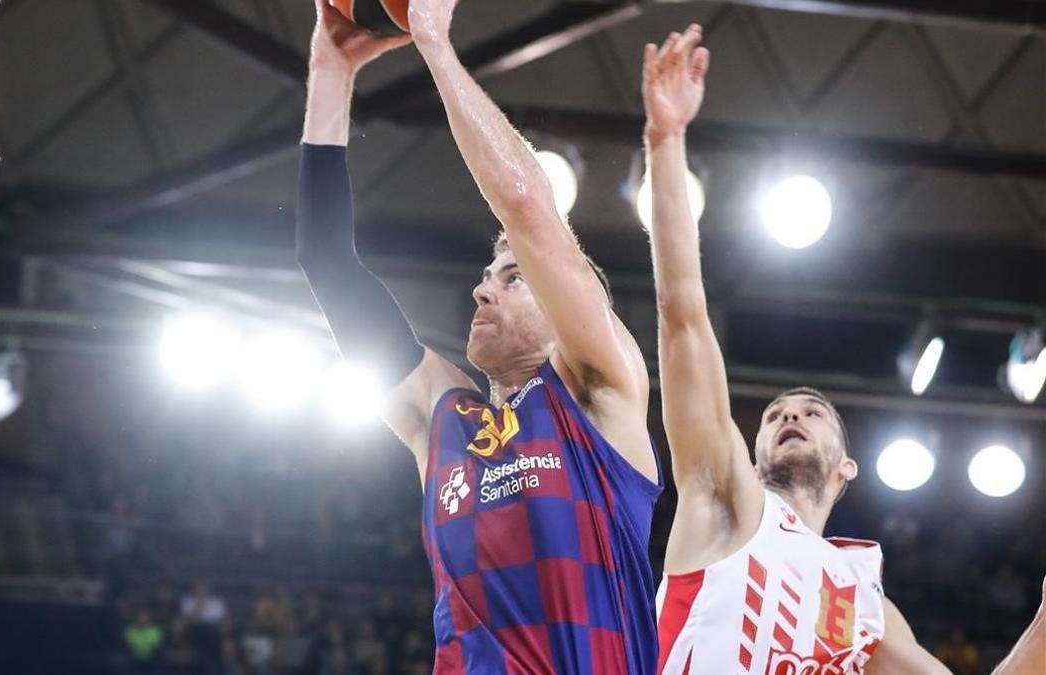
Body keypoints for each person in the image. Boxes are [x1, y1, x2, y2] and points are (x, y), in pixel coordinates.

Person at [642, 23, 1046, 675]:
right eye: (774, 415)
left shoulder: (863, 592)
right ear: (752, 448)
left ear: (846, 467)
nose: (789, 415)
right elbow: (683, 315)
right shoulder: (721, 498)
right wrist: (666, 141)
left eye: (811, 410)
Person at [296, 0, 662, 670]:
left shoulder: (599, 390)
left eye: (513, 275)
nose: (482, 288)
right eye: (487, 273)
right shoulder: (443, 415)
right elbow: (327, 261)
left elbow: (526, 204)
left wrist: (435, 43)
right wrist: (329, 74)